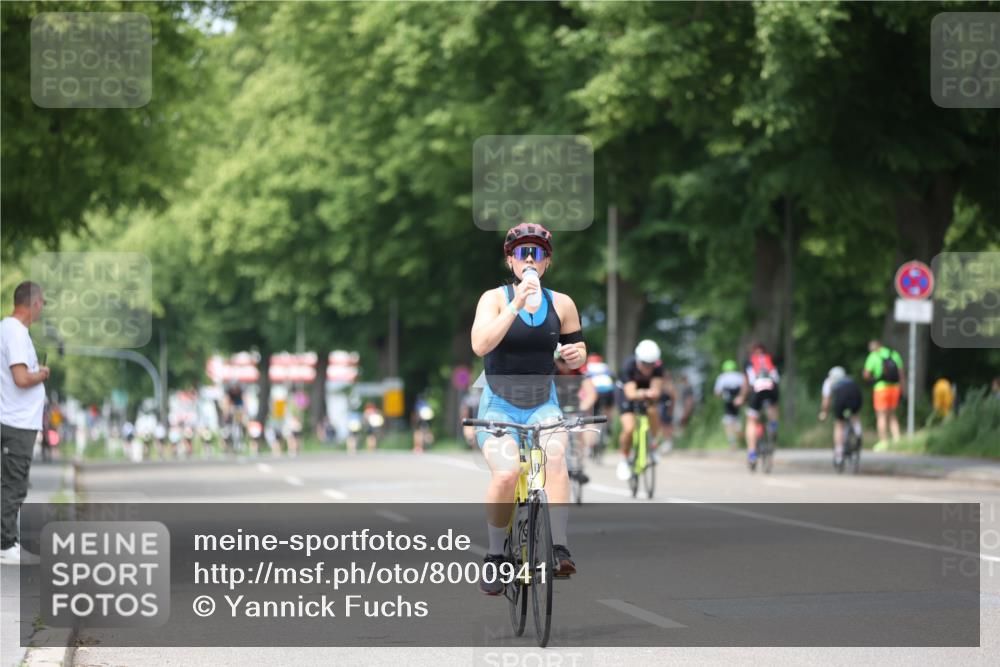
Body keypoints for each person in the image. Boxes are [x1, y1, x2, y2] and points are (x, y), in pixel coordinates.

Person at [470, 222, 586, 594]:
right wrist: (517, 302)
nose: (531, 259)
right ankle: (495, 555)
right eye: (523, 253)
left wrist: (573, 355)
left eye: (538, 253)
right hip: (498, 404)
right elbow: (480, 345)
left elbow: (578, 350)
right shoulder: (495, 298)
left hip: (542, 402)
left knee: (555, 454)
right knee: (506, 473)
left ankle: (559, 547)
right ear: (511, 261)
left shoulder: (563, 303)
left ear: (548, 262)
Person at [1, 281, 48, 565]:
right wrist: (40, 374)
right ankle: (6, 545)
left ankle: (7, 541)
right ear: (35, 304)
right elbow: (20, 378)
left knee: (7, 482)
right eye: (41, 304)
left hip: (10, 417)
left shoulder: (5, 329)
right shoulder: (16, 333)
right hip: (16, 422)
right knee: (14, 484)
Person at [616, 339, 664, 480]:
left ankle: (654, 444)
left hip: (644, 392)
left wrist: (652, 393)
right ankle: (624, 458)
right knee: (629, 428)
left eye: (651, 364)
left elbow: (656, 390)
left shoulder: (658, 367)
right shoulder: (628, 366)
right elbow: (630, 394)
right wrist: (645, 393)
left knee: (652, 411)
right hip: (626, 393)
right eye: (644, 364)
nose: (648, 368)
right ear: (638, 360)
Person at [735, 342, 780, 467]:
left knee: (751, 421)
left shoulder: (749, 362)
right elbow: (776, 378)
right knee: (773, 406)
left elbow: (746, 384)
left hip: (757, 388)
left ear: (753, 352)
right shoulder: (770, 359)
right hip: (772, 388)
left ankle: (752, 453)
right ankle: (773, 425)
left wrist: (741, 398)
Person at [862, 339, 904, 450]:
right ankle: (897, 440)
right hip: (894, 388)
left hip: (881, 389)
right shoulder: (893, 354)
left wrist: (872, 379)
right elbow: (901, 373)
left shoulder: (873, 356)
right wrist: (902, 388)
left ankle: (883, 442)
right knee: (892, 415)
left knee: (881, 416)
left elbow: (866, 374)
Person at [818, 366, 863, 466]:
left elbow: (826, 400)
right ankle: (858, 432)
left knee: (839, 424)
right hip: (855, 393)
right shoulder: (849, 379)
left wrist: (824, 412)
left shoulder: (829, 381)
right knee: (855, 416)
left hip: (841, 398)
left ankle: (839, 453)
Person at [713, 360, 744, 450]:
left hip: (728, 402)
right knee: (738, 420)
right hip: (738, 401)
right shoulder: (740, 376)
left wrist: (720, 397)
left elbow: (717, 392)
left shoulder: (722, 377)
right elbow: (745, 388)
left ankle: (732, 443)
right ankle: (740, 433)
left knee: (728, 423)